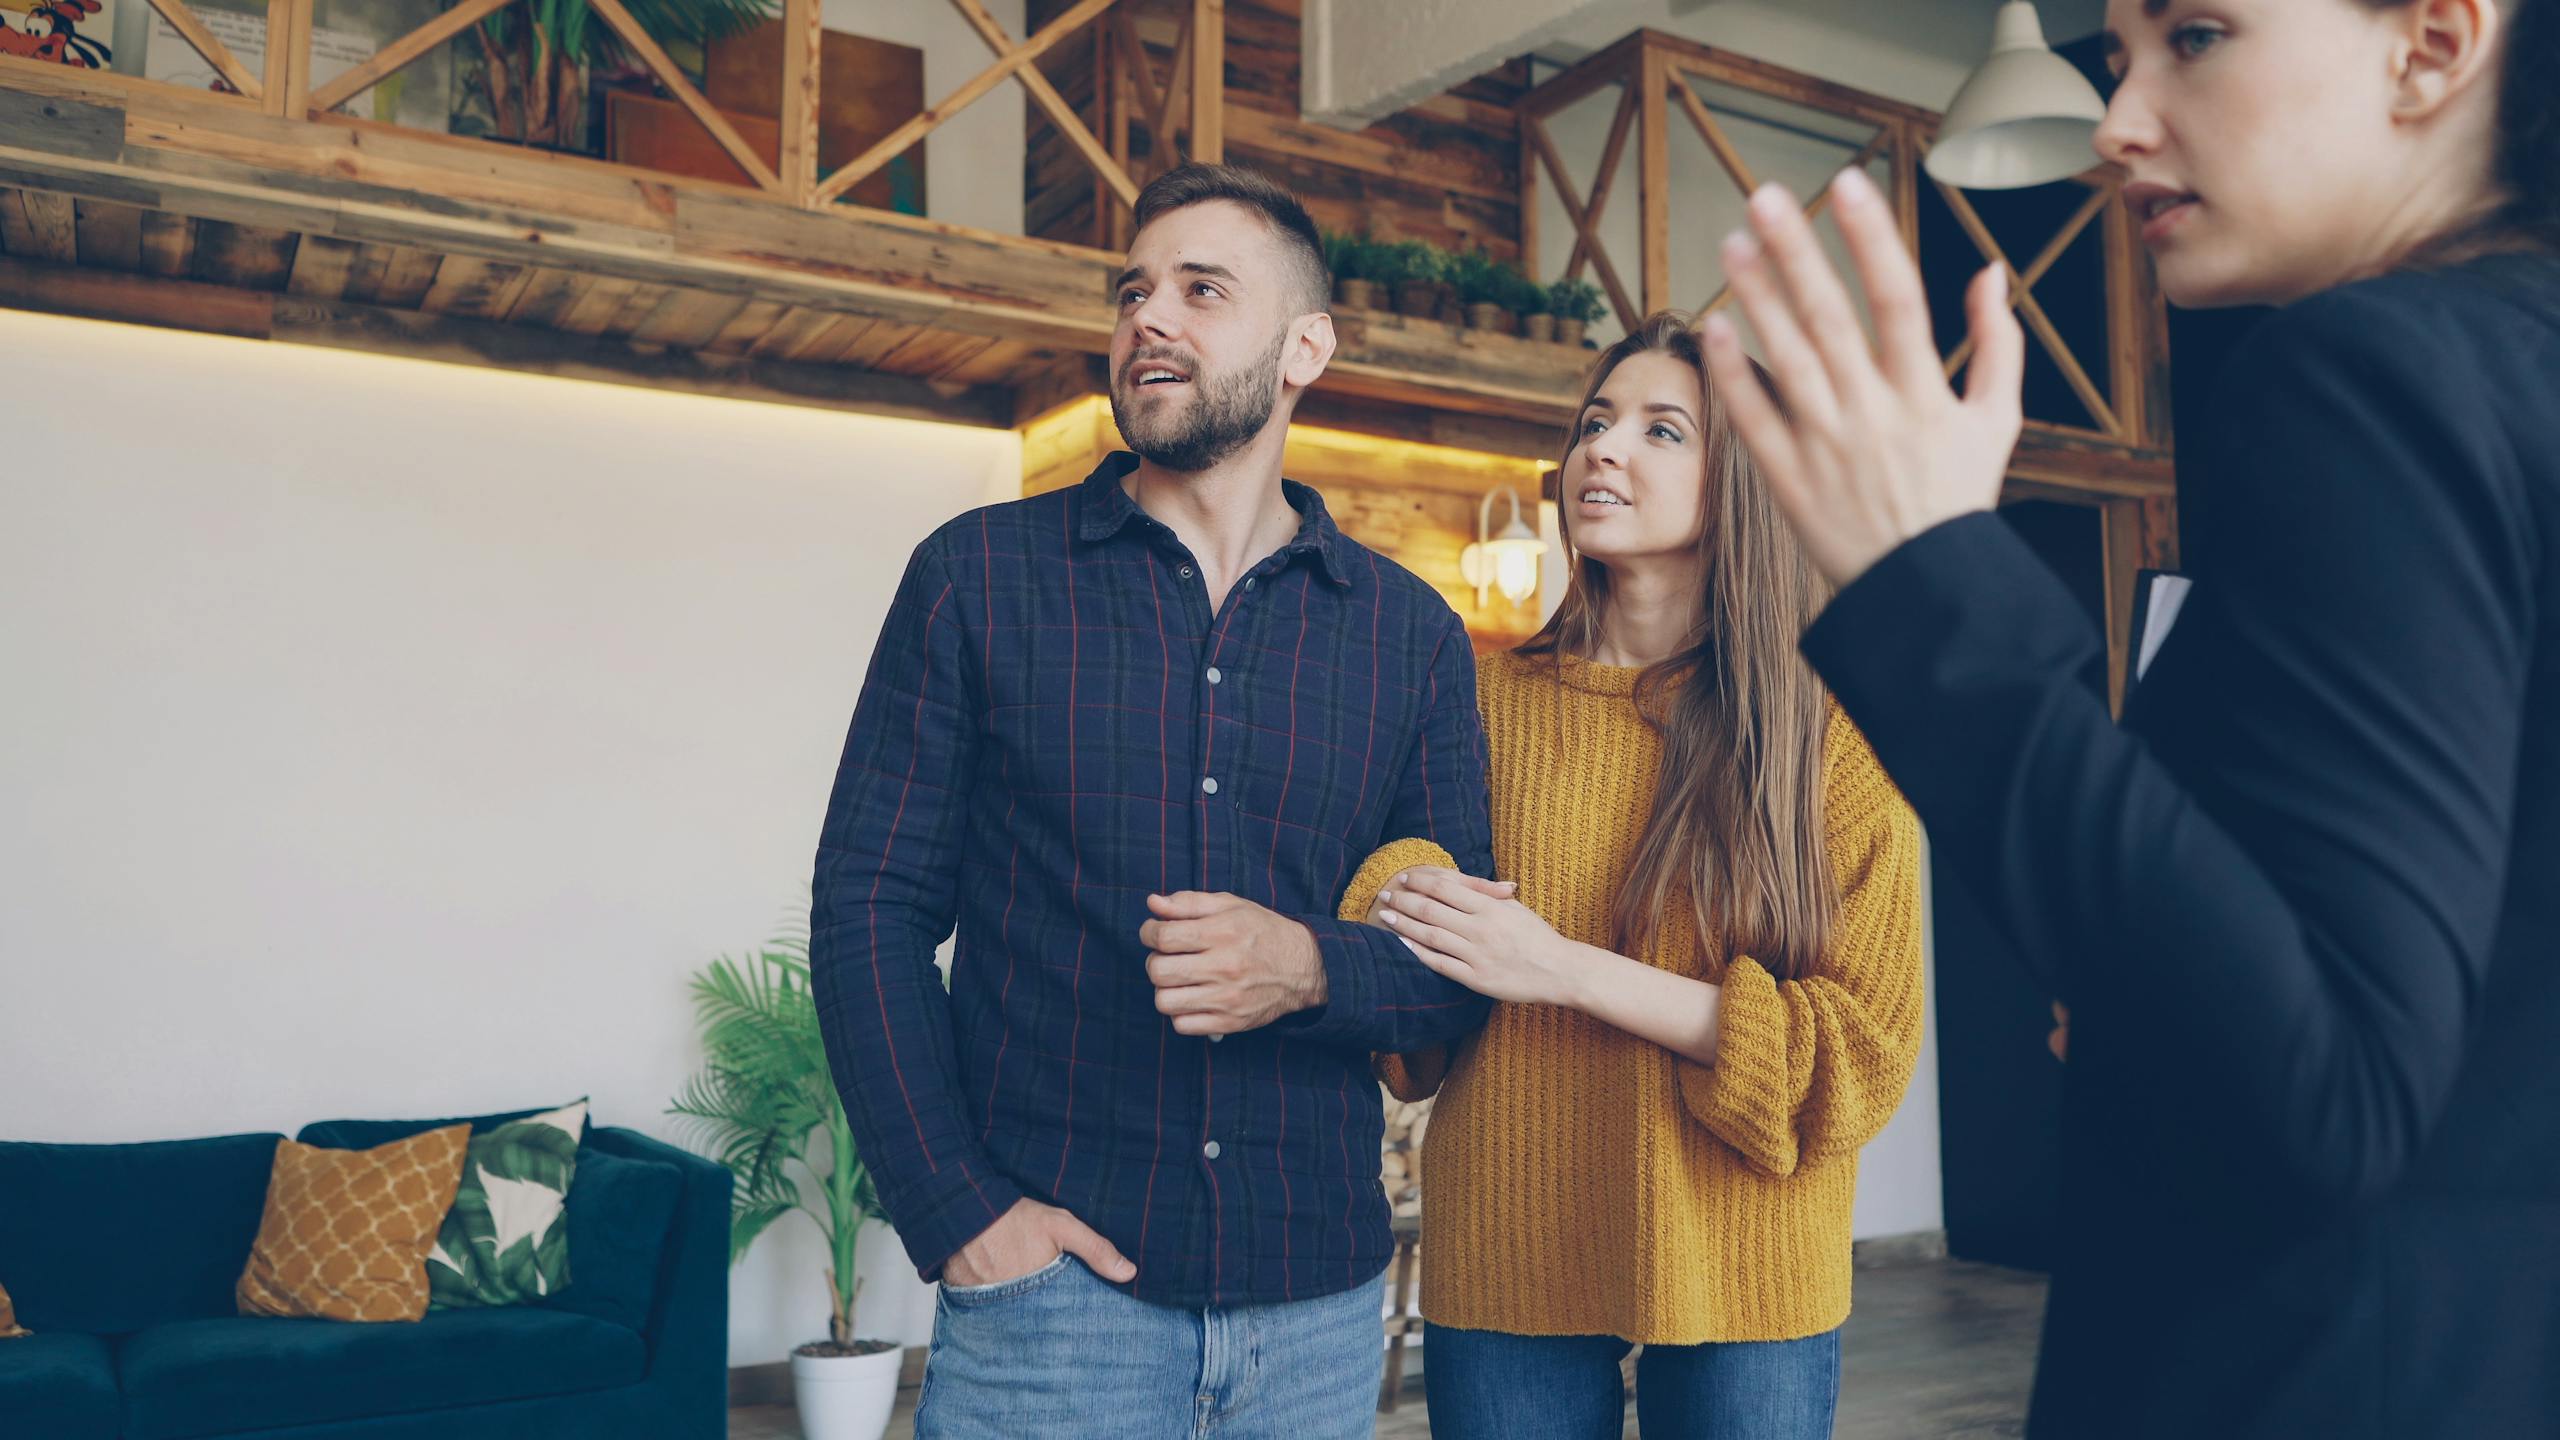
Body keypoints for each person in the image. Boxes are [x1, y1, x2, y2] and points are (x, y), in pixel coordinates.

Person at [1696, 0, 2560, 1433]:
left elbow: (2321, 1092)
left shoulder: (2372, 379)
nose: (2117, 120)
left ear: (2434, 42)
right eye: (2116, 57)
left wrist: (1928, 587)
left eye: (2198, 36)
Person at [807, 163, 1497, 1439]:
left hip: (1318, 1312)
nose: (1149, 318)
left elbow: (1460, 970)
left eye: (1201, 289)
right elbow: (869, 909)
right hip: (1048, 1309)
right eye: (1133, 290)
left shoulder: (1413, 636)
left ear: (1305, 347)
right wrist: (958, 1214)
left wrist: (1306, 966)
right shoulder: (975, 578)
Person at [1342, 312, 1925, 1439]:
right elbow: (1385, 867)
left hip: (1750, 1252)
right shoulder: (1474, 702)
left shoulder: (1831, 735)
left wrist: (1558, 968)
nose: (1602, 450)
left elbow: (1860, 1053)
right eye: (1595, 423)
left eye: (1663, 430)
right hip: (1510, 1233)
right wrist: (1396, 885)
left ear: (1742, 482)